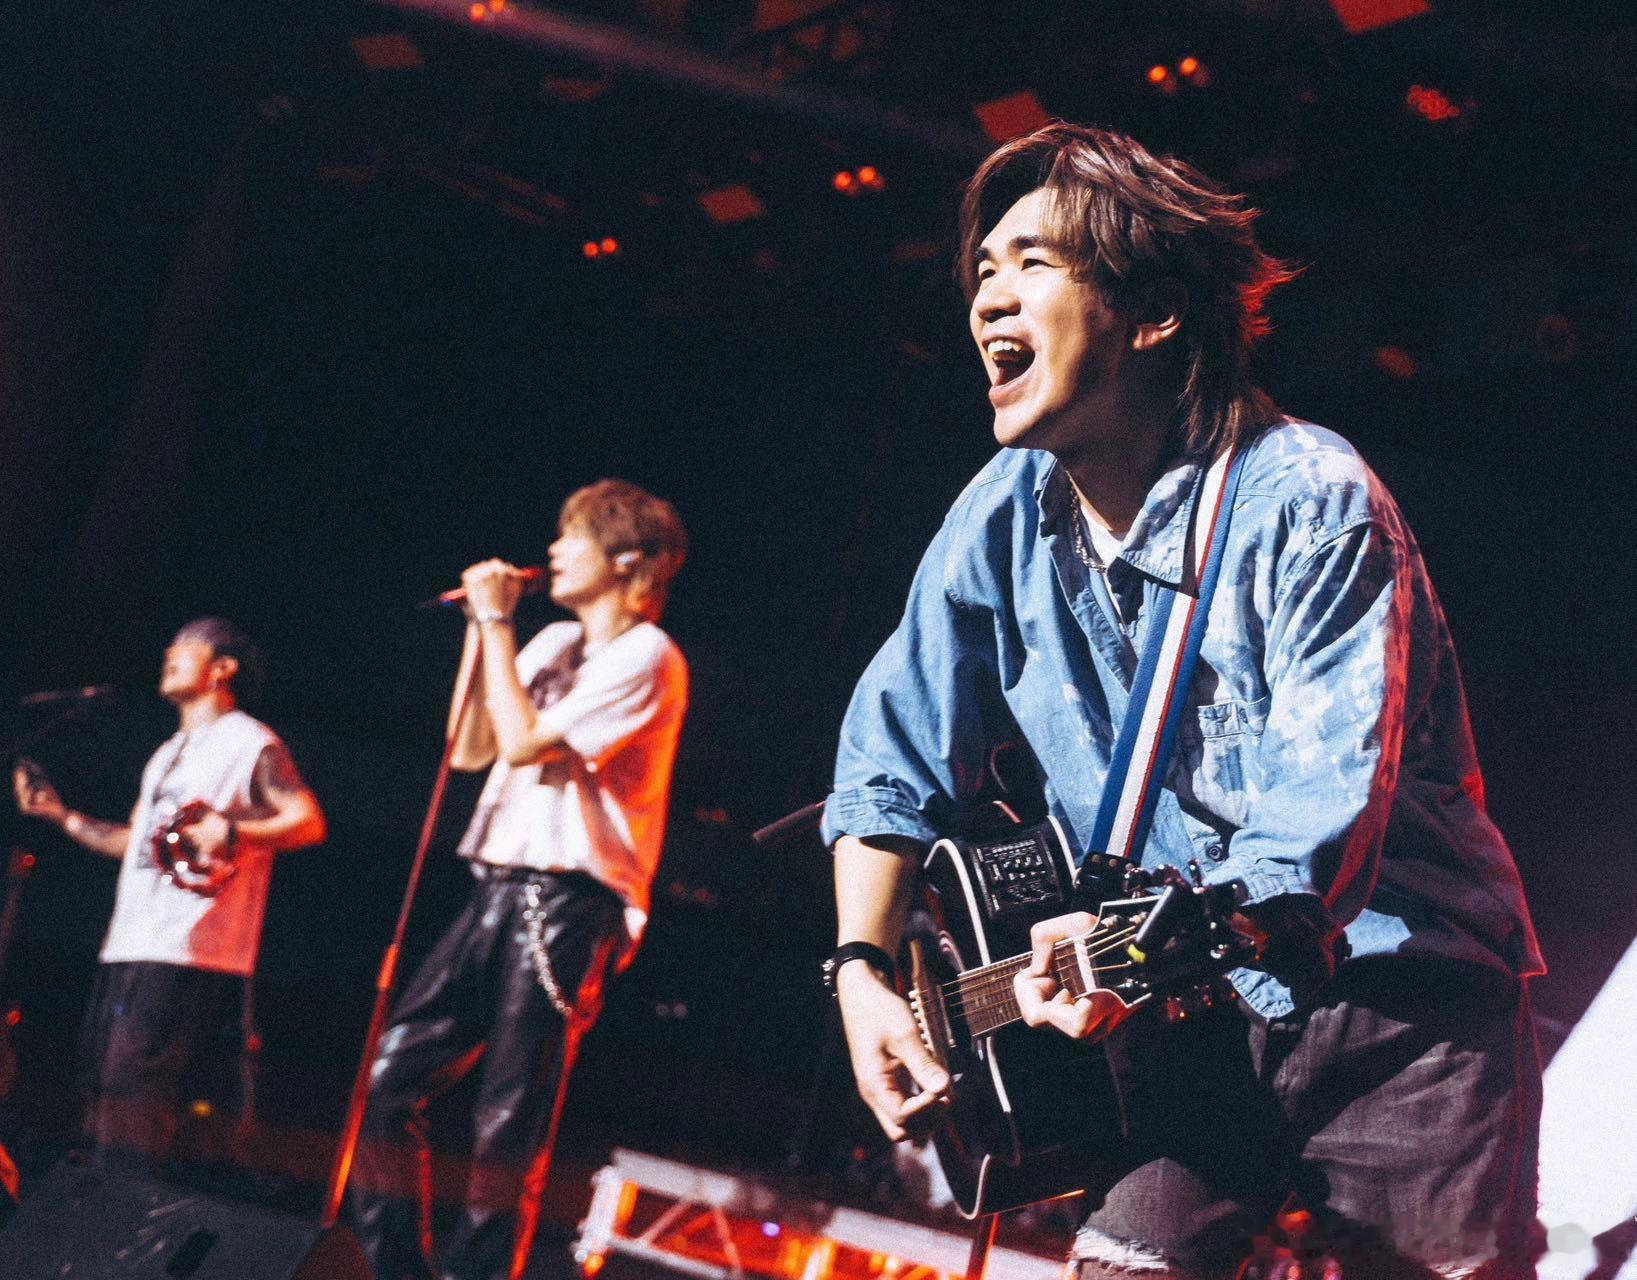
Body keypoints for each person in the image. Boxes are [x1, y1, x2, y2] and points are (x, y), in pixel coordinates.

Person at [823, 123, 1543, 1280]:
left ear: (1152, 311)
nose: (987, 296)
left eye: (1032, 263)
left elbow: (1314, 835)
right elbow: (888, 754)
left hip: (1396, 1006)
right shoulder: (1000, 508)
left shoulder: (1309, 500)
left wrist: (1126, 948)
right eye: (983, 269)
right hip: (1179, 1010)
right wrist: (860, 969)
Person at [349, 478, 689, 1280]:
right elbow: (472, 746)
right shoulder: (551, 643)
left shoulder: (647, 656)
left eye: (574, 538)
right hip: (495, 884)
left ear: (626, 561)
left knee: (508, 1120)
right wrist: (483, 629)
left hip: (571, 901)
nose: (553, 552)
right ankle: (392, 1268)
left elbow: (526, 744)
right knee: (390, 1078)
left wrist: (499, 622)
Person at [12, 617, 327, 1170]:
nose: (169, 654)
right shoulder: (166, 753)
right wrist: (61, 816)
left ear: (223, 668)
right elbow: (133, 845)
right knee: (101, 1090)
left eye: (186, 648)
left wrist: (235, 832)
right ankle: (98, 1208)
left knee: (134, 1099)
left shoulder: (250, 742)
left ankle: (123, 1213)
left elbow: (308, 821)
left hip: (189, 948)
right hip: (129, 943)